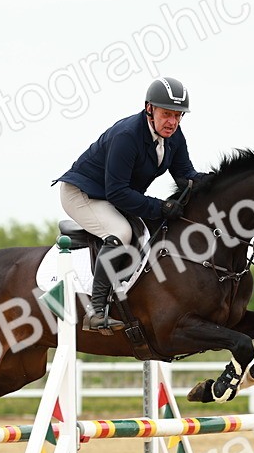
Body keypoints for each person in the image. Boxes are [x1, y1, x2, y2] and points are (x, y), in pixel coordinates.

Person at [54, 76, 204, 331]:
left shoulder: (174, 137)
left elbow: (185, 175)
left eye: (178, 115)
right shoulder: (127, 135)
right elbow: (118, 192)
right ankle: (96, 311)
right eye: (167, 114)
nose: (173, 122)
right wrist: (160, 207)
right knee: (121, 232)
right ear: (149, 109)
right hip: (82, 194)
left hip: (112, 194)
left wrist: (217, 183)